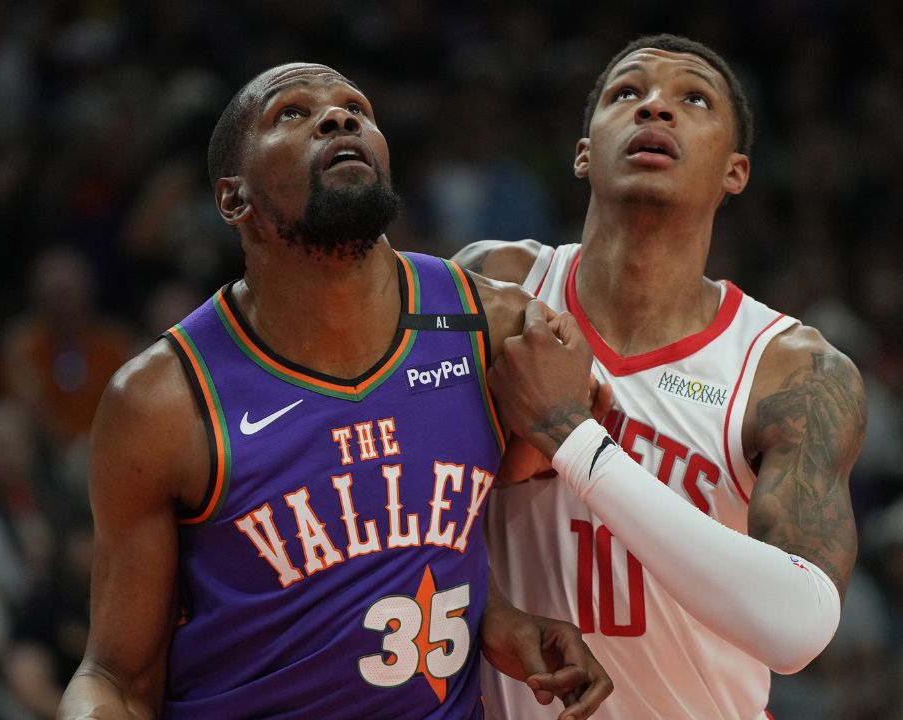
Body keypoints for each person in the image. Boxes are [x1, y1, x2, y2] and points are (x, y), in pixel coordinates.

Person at [58, 62, 612, 720]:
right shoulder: (162, 400)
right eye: (290, 113)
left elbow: (442, 526)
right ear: (233, 199)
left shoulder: (489, 325)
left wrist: (495, 612)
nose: (339, 116)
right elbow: (116, 677)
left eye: (357, 108)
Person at [456, 34, 867, 719]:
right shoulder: (495, 287)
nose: (656, 108)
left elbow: (798, 628)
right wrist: (491, 611)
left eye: (693, 99)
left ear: (735, 172)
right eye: (627, 93)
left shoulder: (791, 369)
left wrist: (572, 440)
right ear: (584, 152)